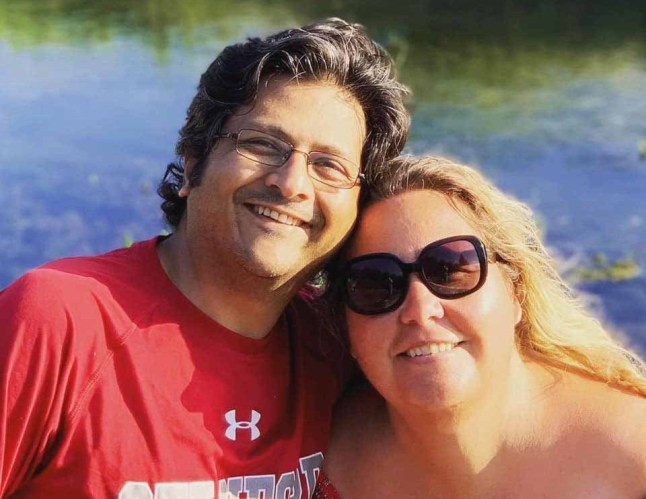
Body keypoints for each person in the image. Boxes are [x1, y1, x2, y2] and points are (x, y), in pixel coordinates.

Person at [0, 19, 410, 498]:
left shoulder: (342, 348)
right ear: (193, 160)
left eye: (329, 165)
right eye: (262, 144)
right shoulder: (59, 320)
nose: (292, 183)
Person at [314, 156, 646, 498]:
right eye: (375, 283)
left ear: (516, 292)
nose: (420, 310)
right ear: (345, 324)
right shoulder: (314, 449)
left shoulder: (634, 458)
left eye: (451, 269)